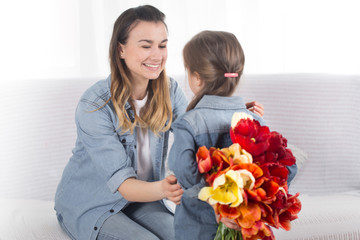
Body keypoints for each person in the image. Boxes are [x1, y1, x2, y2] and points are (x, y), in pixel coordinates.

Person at [55, 5, 264, 240]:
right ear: (120, 49)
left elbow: (196, 135)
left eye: (162, 45)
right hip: (93, 204)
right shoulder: (95, 105)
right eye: (146, 46)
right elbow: (123, 185)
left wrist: (225, 113)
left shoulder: (169, 90)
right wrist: (165, 189)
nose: (157, 55)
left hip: (145, 199)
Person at [168, 30, 298, 240]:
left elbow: (183, 173)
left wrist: (219, 202)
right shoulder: (254, 121)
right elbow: (288, 168)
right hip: (247, 229)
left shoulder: (188, 123)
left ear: (197, 78)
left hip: (196, 231)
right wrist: (250, 202)